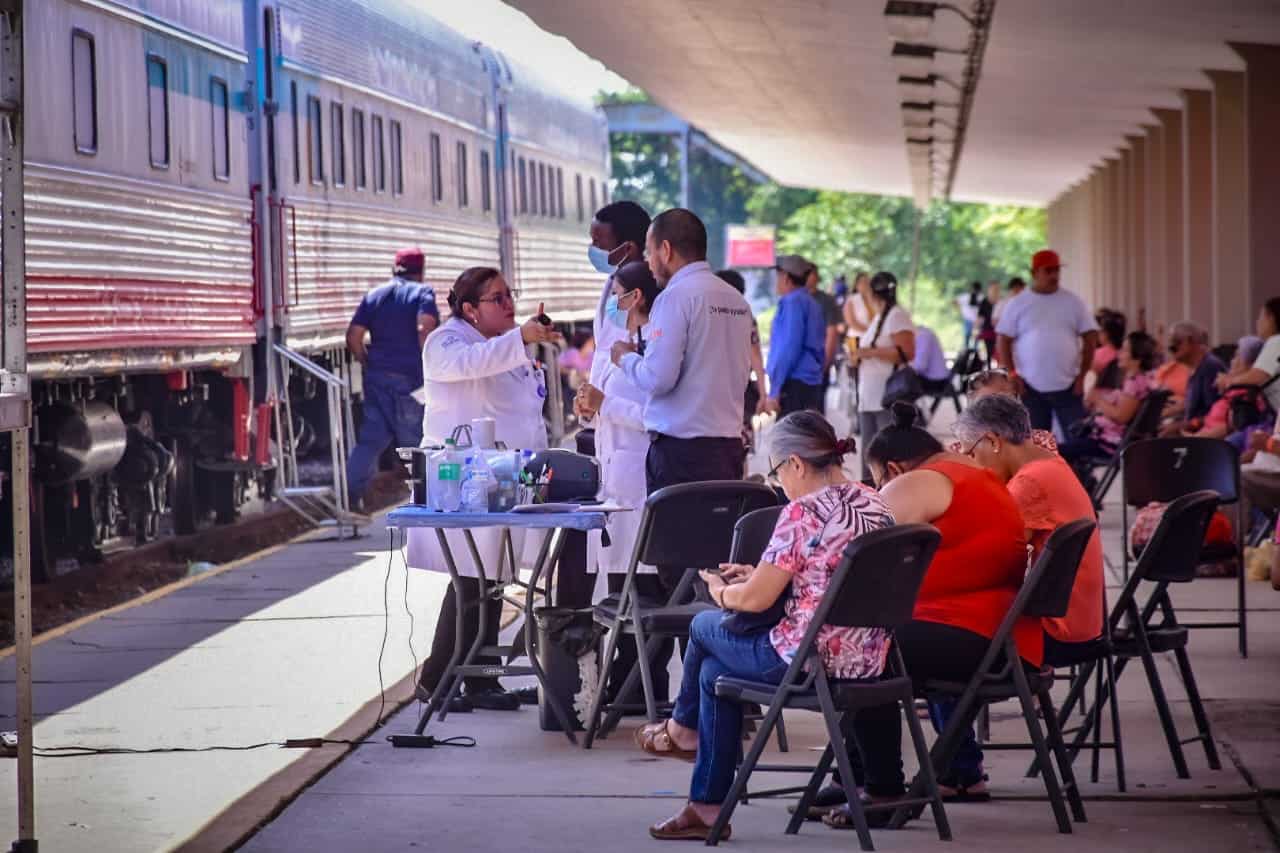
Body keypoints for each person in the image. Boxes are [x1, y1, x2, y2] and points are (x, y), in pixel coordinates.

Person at [637, 412, 893, 841]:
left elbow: (755, 601)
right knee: (716, 676)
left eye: (776, 471)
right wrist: (759, 571)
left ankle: (683, 730)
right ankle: (703, 806)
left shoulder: (801, 514)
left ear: (795, 463)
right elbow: (825, 572)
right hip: (870, 656)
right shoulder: (874, 501)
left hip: (805, 661)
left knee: (703, 626)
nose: (779, 483)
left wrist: (720, 590)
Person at [820, 402, 1034, 827]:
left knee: (858, 652)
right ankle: (853, 778)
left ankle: (880, 789)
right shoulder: (977, 479)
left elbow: (854, 552)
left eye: (878, 481)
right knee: (864, 641)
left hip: (968, 631)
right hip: (991, 632)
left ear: (894, 470)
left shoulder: (923, 482)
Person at [610, 208, 754, 696]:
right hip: (726, 453)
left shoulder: (675, 299)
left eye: (650, 252)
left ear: (666, 249)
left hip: (680, 457)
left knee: (680, 579)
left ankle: (692, 701)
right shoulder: (734, 299)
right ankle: (732, 689)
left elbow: (659, 378)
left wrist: (627, 358)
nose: (648, 263)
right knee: (721, 575)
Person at [411, 267, 562, 712]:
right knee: (472, 577)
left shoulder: (504, 345)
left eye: (510, 294)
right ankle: (436, 680)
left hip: (506, 471)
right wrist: (520, 339)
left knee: (494, 577)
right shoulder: (447, 341)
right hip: (463, 475)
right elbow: (472, 365)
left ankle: (482, 681)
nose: (509, 304)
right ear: (470, 309)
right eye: (497, 298)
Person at [954, 395, 1103, 664]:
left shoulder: (1029, 483)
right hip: (1079, 620)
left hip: (1054, 630)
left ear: (993, 441)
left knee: (938, 627)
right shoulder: (1050, 465)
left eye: (971, 453)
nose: (973, 464)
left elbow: (990, 561)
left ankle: (956, 705)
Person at [344, 247, 439, 509]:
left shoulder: (375, 295)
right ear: (421, 271)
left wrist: (367, 362)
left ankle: (349, 498)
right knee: (418, 442)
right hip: (409, 379)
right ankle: (429, 502)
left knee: (371, 440)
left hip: (377, 379)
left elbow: (353, 336)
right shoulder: (422, 293)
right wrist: (431, 363)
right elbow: (424, 328)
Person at [996, 249, 1099, 435]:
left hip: (1069, 385)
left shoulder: (1073, 302)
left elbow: (1090, 336)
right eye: (1048, 270)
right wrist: (1011, 374)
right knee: (1035, 443)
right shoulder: (1018, 303)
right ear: (1034, 273)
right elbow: (1003, 340)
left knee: (1078, 439)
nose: (1054, 275)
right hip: (1030, 386)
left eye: (1057, 270)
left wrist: (1082, 375)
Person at [1058, 331, 1158, 485]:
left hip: (1108, 444)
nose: (1119, 353)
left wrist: (1097, 399)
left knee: (1055, 451)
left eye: (1124, 350)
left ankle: (1081, 489)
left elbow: (1121, 416)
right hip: (1109, 439)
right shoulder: (1144, 379)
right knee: (1066, 445)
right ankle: (1085, 484)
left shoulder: (1134, 383)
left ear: (1136, 358)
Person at [850, 271, 915, 482]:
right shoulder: (881, 315)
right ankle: (870, 495)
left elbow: (907, 352)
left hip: (885, 396)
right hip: (869, 396)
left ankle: (886, 497)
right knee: (870, 453)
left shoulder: (896, 316)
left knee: (885, 453)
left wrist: (870, 352)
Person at [764, 255, 826, 415]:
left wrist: (775, 390)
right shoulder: (811, 303)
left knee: (790, 437)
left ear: (786, 277)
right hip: (809, 382)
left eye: (778, 276)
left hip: (794, 384)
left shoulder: (792, 302)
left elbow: (789, 348)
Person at [716, 268, 769, 437]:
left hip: (713, 393)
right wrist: (762, 394)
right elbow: (756, 356)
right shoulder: (746, 316)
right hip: (741, 391)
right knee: (740, 446)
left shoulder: (707, 316)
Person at [958, 369, 1058, 453]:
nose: (995, 410)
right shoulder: (962, 451)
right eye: (985, 403)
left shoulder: (1042, 440)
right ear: (971, 407)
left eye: (1005, 401)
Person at [1159, 322, 1226, 436]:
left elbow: (1214, 416)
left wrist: (1182, 426)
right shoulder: (1196, 369)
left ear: (1189, 341)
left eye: (1175, 344)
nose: (1171, 349)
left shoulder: (1210, 367)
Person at [1215, 297, 1280, 415]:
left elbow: (1258, 376)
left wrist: (1228, 381)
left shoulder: (1276, 341)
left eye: (1261, 317)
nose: (1258, 322)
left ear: (1271, 318)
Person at [807, 263, 844, 414]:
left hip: (818, 361)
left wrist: (826, 362)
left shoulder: (826, 300)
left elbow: (832, 332)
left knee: (816, 408)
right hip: (800, 367)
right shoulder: (793, 299)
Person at [1092, 310, 1126, 390]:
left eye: (1100, 331)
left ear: (1106, 333)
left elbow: (1089, 381)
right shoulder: (1125, 354)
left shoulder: (1097, 354)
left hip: (1099, 395)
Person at [912, 323, 951, 392]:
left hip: (936, 382)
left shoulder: (923, 335)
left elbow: (920, 366)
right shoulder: (924, 332)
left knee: (901, 385)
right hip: (937, 379)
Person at [958, 281, 981, 350]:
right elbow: (955, 301)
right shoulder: (966, 297)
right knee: (967, 337)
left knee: (976, 338)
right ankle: (966, 352)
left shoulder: (981, 297)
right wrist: (961, 311)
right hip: (968, 320)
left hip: (977, 321)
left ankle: (974, 353)